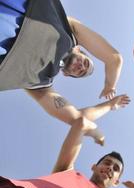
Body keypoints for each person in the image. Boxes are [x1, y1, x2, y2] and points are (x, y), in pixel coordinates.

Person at [0, 0, 126, 140]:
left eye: (81, 72)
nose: (82, 67)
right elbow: (114, 59)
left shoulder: (42, 86)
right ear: (79, 49)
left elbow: (76, 118)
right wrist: (110, 86)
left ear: (66, 74)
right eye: (85, 62)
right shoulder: (70, 31)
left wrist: (109, 106)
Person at [0, 117, 125, 188]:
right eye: (107, 162)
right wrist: (98, 134)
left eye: (115, 168)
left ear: (116, 182)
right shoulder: (69, 173)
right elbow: (81, 122)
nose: (110, 168)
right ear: (94, 167)